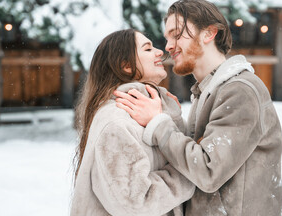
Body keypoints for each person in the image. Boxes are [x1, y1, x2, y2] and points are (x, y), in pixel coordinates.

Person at [114, 0, 282, 215]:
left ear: (209, 33)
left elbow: (208, 171)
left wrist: (159, 124)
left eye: (176, 34)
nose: (167, 46)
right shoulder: (209, 90)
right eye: (167, 38)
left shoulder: (240, 90)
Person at [70, 29, 195, 216]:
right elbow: (135, 202)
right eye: (147, 49)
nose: (160, 52)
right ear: (126, 66)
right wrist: (190, 171)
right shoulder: (116, 122)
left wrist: (169, 119)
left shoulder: (148, 115)